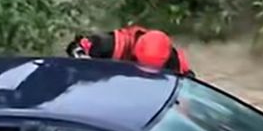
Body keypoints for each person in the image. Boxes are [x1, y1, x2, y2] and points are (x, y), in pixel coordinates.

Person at [66, 25, 194, 77]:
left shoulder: (173, 61)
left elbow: (189, 82)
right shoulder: (111, 44)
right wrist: (85, 61)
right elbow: (75, 47)